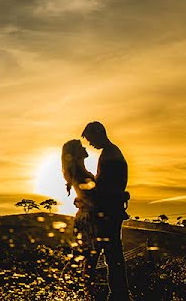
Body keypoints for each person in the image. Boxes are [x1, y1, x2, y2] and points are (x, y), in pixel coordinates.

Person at [82, 121, 131, 301]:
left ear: (99, 134)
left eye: (91, 139)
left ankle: (114, 294)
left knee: (102, 255)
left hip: (108, 214)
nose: (90, 144)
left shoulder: (110, 155)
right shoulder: (111, 153)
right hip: (111, 211)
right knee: (112, 255)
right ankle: (118, 294)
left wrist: (86, 181)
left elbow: (104, 187)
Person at [61, 138, 98, 281]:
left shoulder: (80, 172)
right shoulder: (80, 174)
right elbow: (93, 198)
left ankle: (69, 286)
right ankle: (66, 285)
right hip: (88, 220)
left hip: (86, 218)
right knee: (87, 260)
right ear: (75, 154)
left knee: (85, 259)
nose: (85, 149)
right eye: (80, 147)